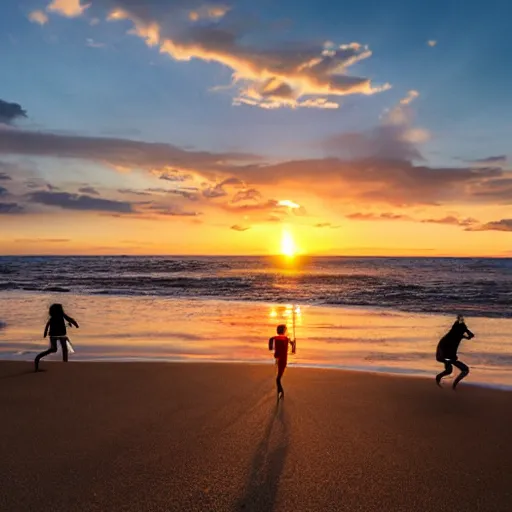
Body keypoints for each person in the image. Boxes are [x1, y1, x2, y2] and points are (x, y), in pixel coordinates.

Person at [35, 304, 79, 372]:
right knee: (63, 349)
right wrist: (75, 324)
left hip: (54, 335)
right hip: (60, 335)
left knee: (55, 349)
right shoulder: (61, 315)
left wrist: (45, 332)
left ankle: (38, 358)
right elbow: (69, 319)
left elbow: (47, 325)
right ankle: (65, 362)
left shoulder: (53, 317)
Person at [435, 315, 474, 389]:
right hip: (444, 356)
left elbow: (470, 335)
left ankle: (453, 384)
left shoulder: (457, 334)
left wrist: (466, 332)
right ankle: (448, 383)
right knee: (455, 370)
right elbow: (441, 348)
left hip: (448, 356)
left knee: (454, 370)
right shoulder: (451, 335)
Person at [268, 324, 295, 400]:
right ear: (284, 331)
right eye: (286, 330)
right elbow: (292, 348)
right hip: (282, 360)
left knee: (278, 378)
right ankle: (280, 392)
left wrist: (270, 347)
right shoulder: (285, 338)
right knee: (278, 378)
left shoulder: (276, 338)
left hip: (279, 358)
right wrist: (293, 345)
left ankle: (280, 392)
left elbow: (271, 340)